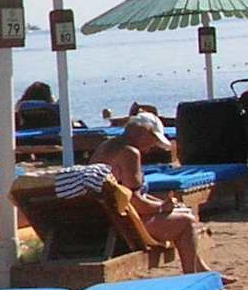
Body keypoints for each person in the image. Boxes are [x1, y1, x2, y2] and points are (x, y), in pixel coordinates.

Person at [79, 114, 207, 273]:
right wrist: (162, 207)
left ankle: (202, 270)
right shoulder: (129, 153)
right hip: (124, 224)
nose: (151, 147)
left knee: (183, 212)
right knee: (187, 222)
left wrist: (164, 204)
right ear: (144, 132)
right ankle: (192, 275)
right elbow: (136, 203)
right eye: (153, 140)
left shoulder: (106, 146)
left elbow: (128, 193)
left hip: (106, 217)